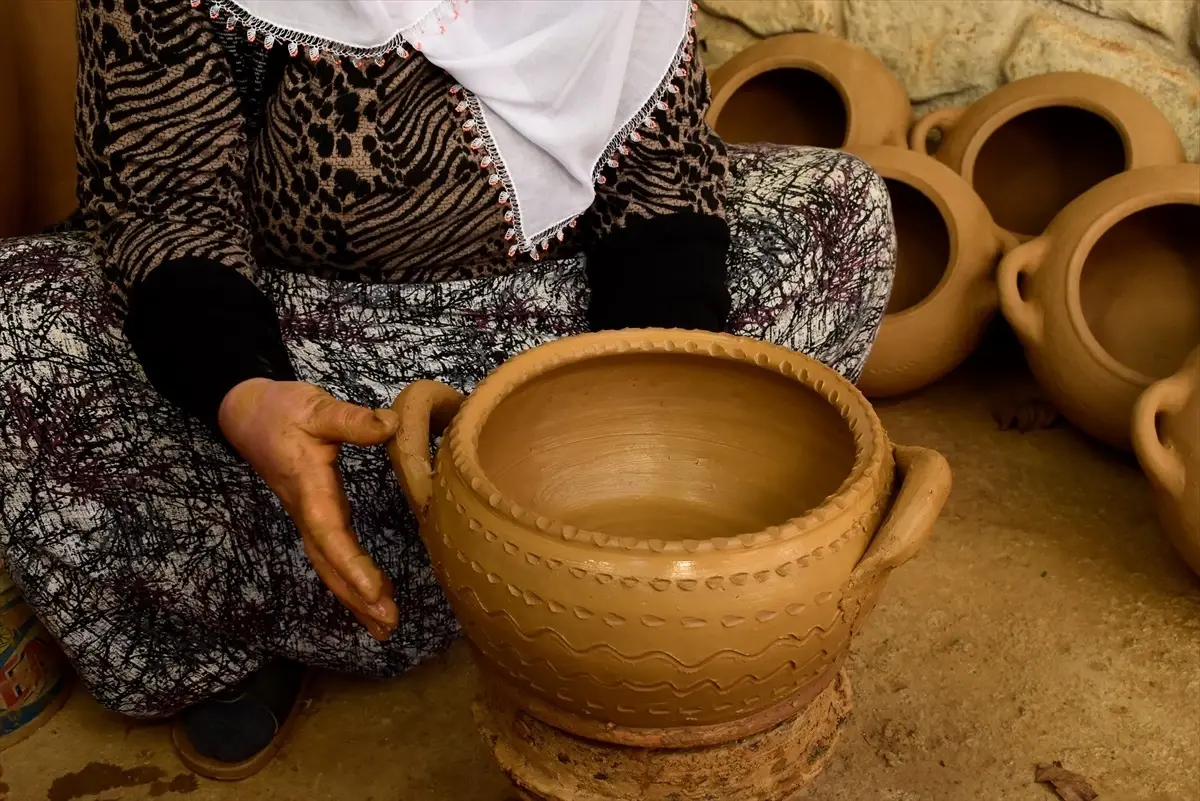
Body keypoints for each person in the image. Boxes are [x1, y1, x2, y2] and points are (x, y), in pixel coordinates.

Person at [0, 0, 895, 780]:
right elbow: (164, 208)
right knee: (29, 319)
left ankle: (590, 572)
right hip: (313, 351)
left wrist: (652, 395)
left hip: (555, 329)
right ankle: (255, 626)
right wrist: (243, 390)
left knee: (838, 207)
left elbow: (661, 174)